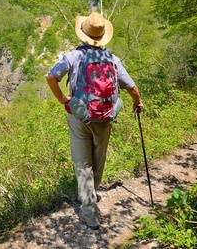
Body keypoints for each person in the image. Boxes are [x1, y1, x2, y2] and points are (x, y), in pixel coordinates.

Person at [46, 12, 144, 230]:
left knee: (83, 163)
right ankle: (93, 193)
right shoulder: (112, 58)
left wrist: (63, 98)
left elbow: (51, 77)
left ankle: (89, 212)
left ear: (83, 35)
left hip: (79, 116)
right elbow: (131, 87)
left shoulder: (73, 56)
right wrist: (138, 102)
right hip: (105, 117)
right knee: (98, 159)